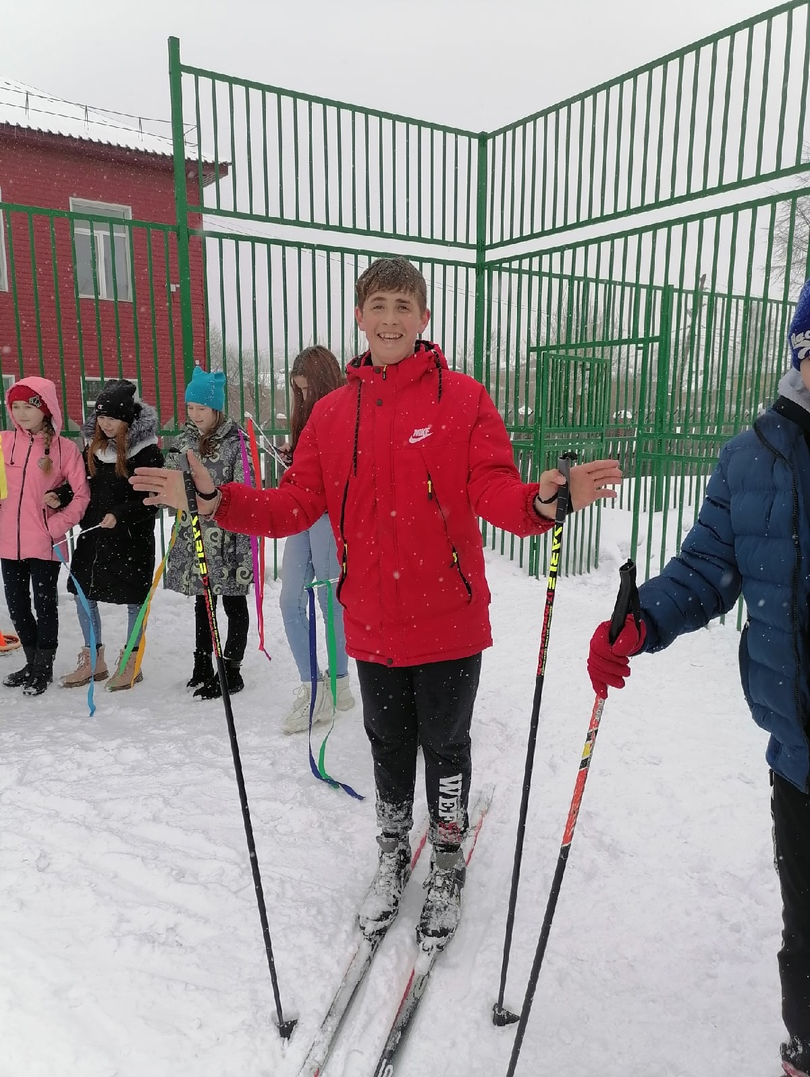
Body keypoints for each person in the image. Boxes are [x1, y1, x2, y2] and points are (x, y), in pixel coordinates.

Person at [132, 257, 622, 948]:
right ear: (359, 316)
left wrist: (543, 502)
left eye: (404, 305)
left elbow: (495, 494)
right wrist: (215, 500)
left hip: (450, 622)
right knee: (388, 746)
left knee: (445, 747)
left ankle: (445, 856)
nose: (391, 318)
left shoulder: (465, 400)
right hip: (371, 623)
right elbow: (294, 504)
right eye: (378, 305)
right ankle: (394, 852)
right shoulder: (332, 415)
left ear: (425, 318)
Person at [586, 278, 810, 1077]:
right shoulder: (752, 459)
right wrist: (639, 621)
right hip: (801, 755)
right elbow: (707, 571)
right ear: (800, 355)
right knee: (809, 933)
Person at [55, 380, 164, 692]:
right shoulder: (93, 447)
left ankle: (131, 661)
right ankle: (94, 658)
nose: (105, 423)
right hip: (94, 536)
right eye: (101, 417)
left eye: (112, 418)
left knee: (133, 600)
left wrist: (120, 514)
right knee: (82, 593)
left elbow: (151, 498)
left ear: (127, 419)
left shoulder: (147, 452)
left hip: (130, 539)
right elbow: (84, 484)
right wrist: (61, 496)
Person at [164, 366, 253, 700]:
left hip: (228, 535)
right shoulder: (183, 441)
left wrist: (214, 497)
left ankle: (231, 669)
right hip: (195, 533)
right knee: (204, 603)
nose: (195, 414)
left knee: (232, 602)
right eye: (190, 408)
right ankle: (202, 664)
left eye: (201, 408)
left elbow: (246, 487)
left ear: (216, 408)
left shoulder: (236, 443)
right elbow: (171, 482)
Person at [279, 346, 355, 734]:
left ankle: (339, 683)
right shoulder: (305, 414)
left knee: (330, 598)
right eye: (298, 390)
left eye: (308, 388)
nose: (303, 397)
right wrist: (294, 463)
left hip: (328, 515)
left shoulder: (343, 409)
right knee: (289, 598)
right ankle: (314, 688)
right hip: (300, 510)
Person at [0, 377, 89, 695]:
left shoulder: (64, 450)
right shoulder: (3, 443)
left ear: (46, 408)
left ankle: (43, 668)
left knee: (44, 605)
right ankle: (30, 660)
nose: (22, 413)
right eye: (16, 407)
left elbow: (81, 496)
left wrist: (56, 526)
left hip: (46, 543)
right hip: (9, 542)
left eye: (29, 406)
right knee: (17, 606)